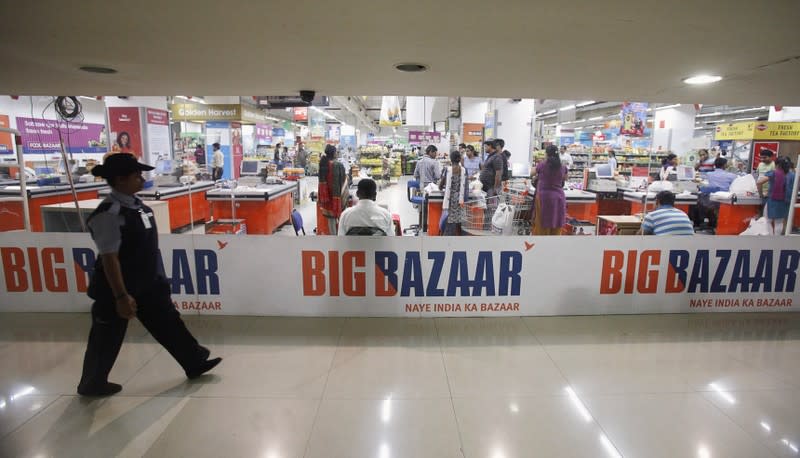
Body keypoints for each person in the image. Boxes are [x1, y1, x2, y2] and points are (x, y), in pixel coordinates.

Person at [77, 153, 221, 397]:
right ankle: (92, 382)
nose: (141, 179)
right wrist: (121, 296)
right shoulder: (109, 215)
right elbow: (109, 258)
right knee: (106, 337)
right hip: (118, 290)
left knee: (169, 324)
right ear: (120, 180)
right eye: (136, 175)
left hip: (148, 285)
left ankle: (194, 361)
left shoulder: (136, 206)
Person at [531, 145, 567, 235]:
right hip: (559, 197)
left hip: (544, 197)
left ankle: (541, 244)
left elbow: (531, 173)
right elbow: (565, 178)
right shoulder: (562, 166)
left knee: (542, 221)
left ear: (546, 154)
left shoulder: (542, 164)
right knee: (557, 219)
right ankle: (554, 243)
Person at [757, 156, 796, 235]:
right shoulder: (793, 175)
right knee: (779, 222)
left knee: (767, 220)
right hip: (785, 201)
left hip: (772, 201)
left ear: (777, 164)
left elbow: (759, 182)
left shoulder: (773, 173)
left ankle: (771, 239)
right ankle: (777, 239)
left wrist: (761, 194)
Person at [318, 144, 348, 235]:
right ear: (334, 153)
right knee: (341, 220)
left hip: (327, 198)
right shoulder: (338, 165)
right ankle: (340, 240)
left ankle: (333, 240)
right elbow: (344, 181)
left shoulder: (323, 163)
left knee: (331, 222)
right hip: (337, 197)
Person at [439, 150, 468, 235]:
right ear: (459, 159)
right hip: (460, 201)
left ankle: (448, 242)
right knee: (462, 223)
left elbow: (440, 186)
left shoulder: (447, 170)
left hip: (450, 202)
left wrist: (443, 186)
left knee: (450, 224)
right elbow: (466, 187)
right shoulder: (464, 170)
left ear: (451, 159)